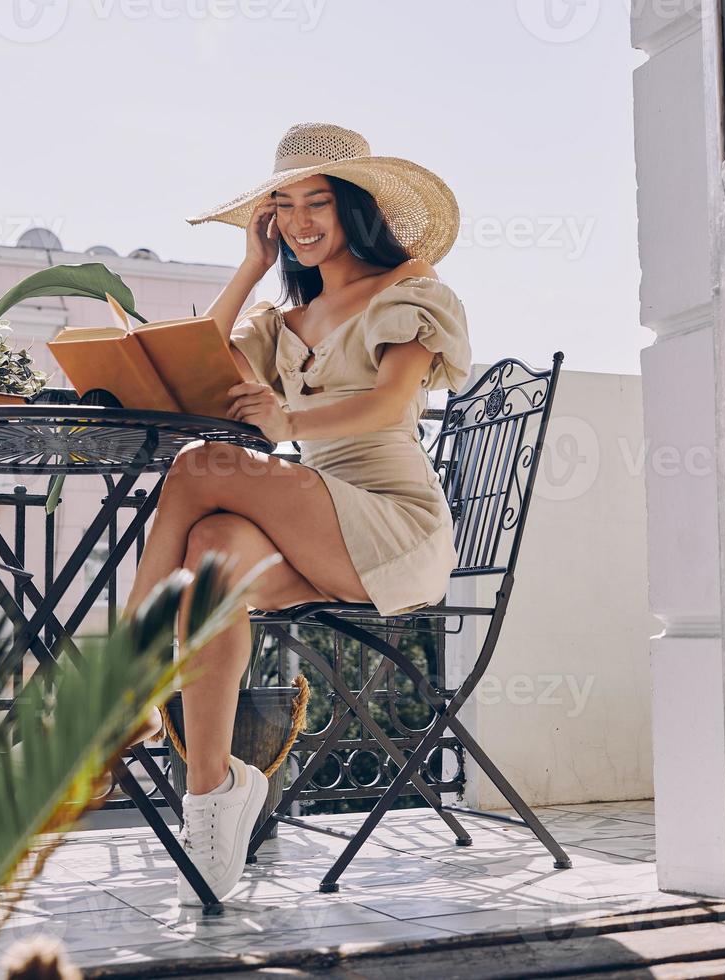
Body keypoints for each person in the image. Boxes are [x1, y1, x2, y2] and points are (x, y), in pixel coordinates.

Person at [126, 122, 471, 905]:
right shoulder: (281, 322)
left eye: (319, 201)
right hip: (314, 523)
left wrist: (288, 426)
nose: (301, 220)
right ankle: (212, 798)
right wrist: (250, 266)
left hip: (390, 522)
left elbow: (387, 407)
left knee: (199, 466)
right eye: (284, 205)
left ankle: (126, 679)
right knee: (212, 546)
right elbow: (194, 372)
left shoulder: (411, 289)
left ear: (357, 206)